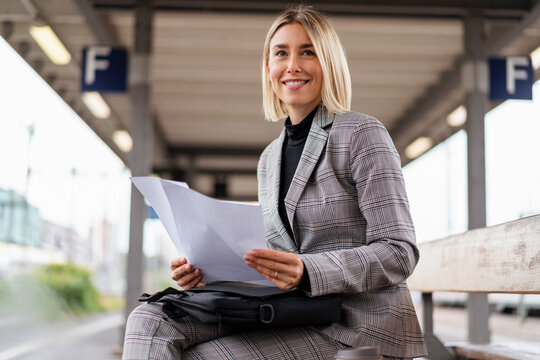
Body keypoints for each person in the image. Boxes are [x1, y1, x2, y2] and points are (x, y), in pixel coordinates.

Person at [123, 5, 427, 360]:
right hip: (292, 313)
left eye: (308, 52)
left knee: (206, 357)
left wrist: (308, 270)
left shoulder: (361, 133)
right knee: (148, 320)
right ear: (268, 67)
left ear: (329, 63)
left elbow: (398, 252)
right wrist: (209, 270)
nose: (292, 65)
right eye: (281, 53)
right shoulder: (270, 158)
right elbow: (278, 258)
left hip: (357, 327)